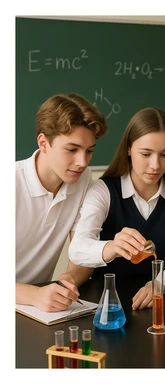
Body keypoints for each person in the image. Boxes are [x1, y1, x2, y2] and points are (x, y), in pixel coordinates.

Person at [69, 107, 165, 310]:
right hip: (108, 304)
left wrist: (159, 284)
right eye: (146, 154)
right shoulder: (103, 190)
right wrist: (111, 247)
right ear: (128, 149)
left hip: (159, 299)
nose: (155, 165)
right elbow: (77, 249)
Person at [16, 93, 108, 312]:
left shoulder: (83, 180)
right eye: (72, 149)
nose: (82, 162)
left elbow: (82, 254)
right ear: (43, 143)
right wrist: (34, 295)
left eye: (89, 151)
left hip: (37, 309)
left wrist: (66, 281)